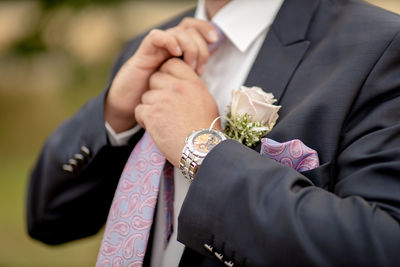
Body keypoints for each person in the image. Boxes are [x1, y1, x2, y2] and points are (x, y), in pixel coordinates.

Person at [27, 0, 400, 266]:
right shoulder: (147, 47)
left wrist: (201, 151)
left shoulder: (380, 48)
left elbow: (380, 245)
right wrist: (115, 114)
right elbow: (49, 219)